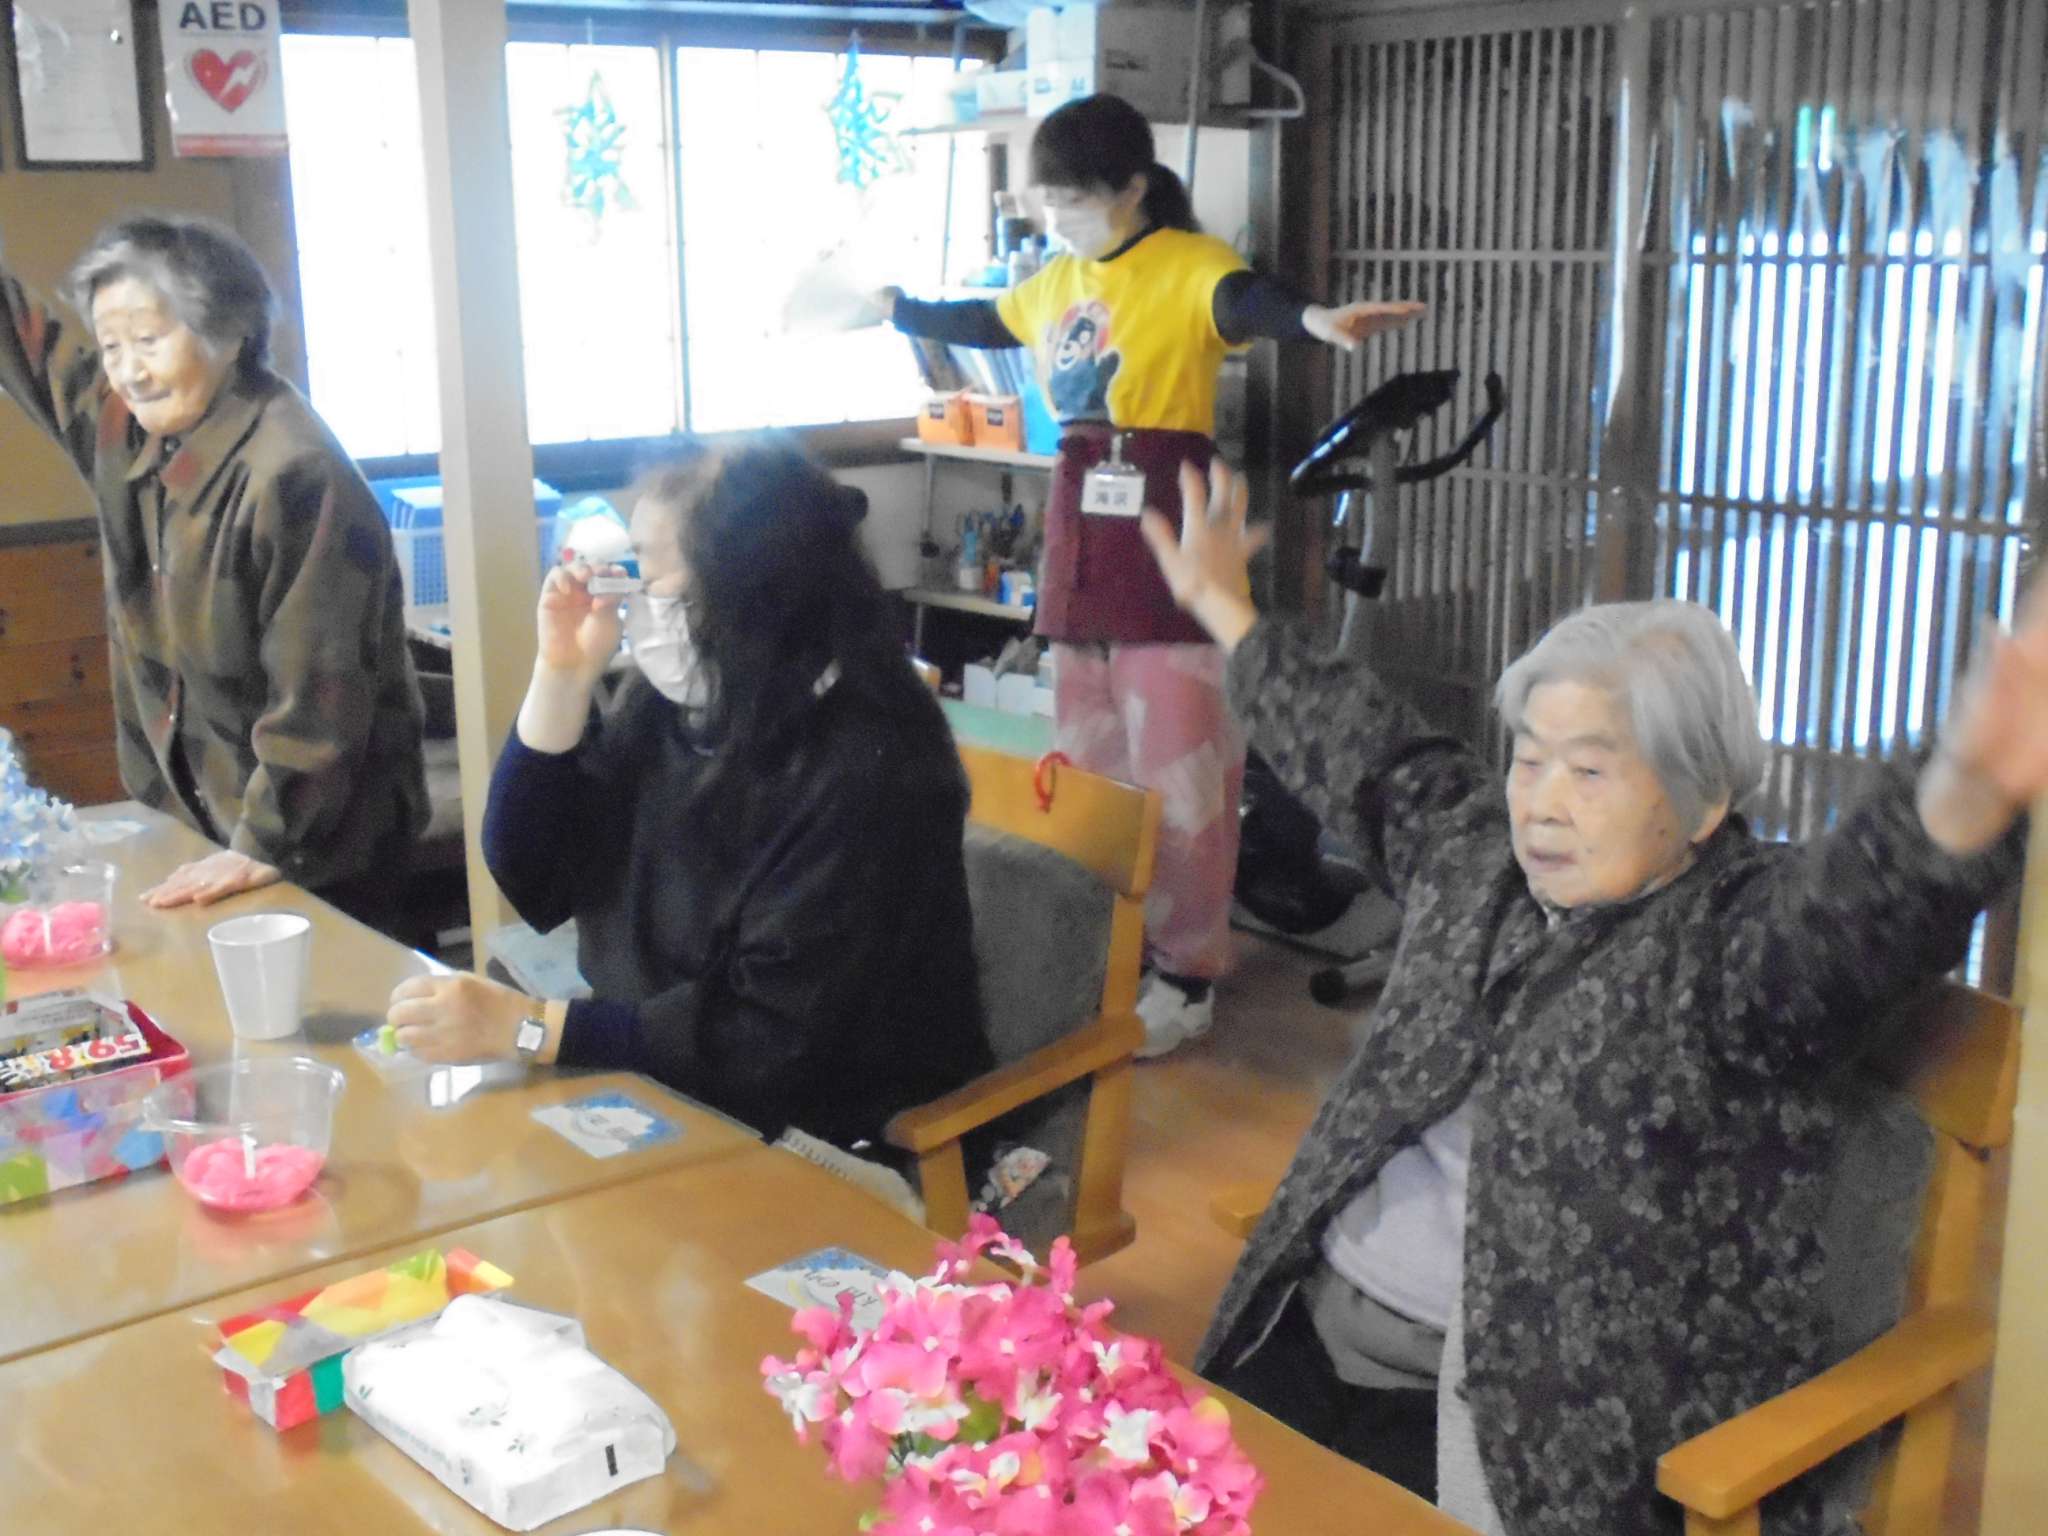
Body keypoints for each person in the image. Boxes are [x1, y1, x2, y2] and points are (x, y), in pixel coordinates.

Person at [1141, 461, 2041, 1533]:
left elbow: (1850, 920)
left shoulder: (1733, 950)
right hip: (1308, 1325)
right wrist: (1221, 604)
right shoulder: (1475, 858)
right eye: (1528, 761)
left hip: (1507, 1428)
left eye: (1590, 771)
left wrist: (1967, 791)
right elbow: (1363, 750)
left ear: (1701, 801)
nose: (1542, 806)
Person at [876, 93, 1423, 1058]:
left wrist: (1316, 319)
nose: (1059, 215)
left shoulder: (1186, 264)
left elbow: (1246, 300)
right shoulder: (1054, 281)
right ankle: (1105, 951)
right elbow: (986, 320)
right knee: (1090, 769)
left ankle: (1187, 975)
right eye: (1048, 198)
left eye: (1074, 196)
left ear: (1132, 187)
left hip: (1171, 532)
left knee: (1183, 772)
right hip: (1079, 535)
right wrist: (895, 308)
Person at [386, 439, 995, 1173]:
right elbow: (534, 872)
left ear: (754, 591)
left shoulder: (872, 765)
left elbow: (766, 1038)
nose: (638, 604)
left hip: (832, 1134)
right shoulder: (681, 707)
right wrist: (562, 674)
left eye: (658, 582)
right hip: (670, 1087)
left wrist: (532, 1030)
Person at [0, 215, 427, 928]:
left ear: (228, 332)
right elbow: (32, 352)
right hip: (198, 823)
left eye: (149, 340)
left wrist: (264, 842)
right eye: (112, 345)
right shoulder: (133, 432)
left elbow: (320, 693)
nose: (129, 371)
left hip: (319, 848)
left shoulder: (294, 473)